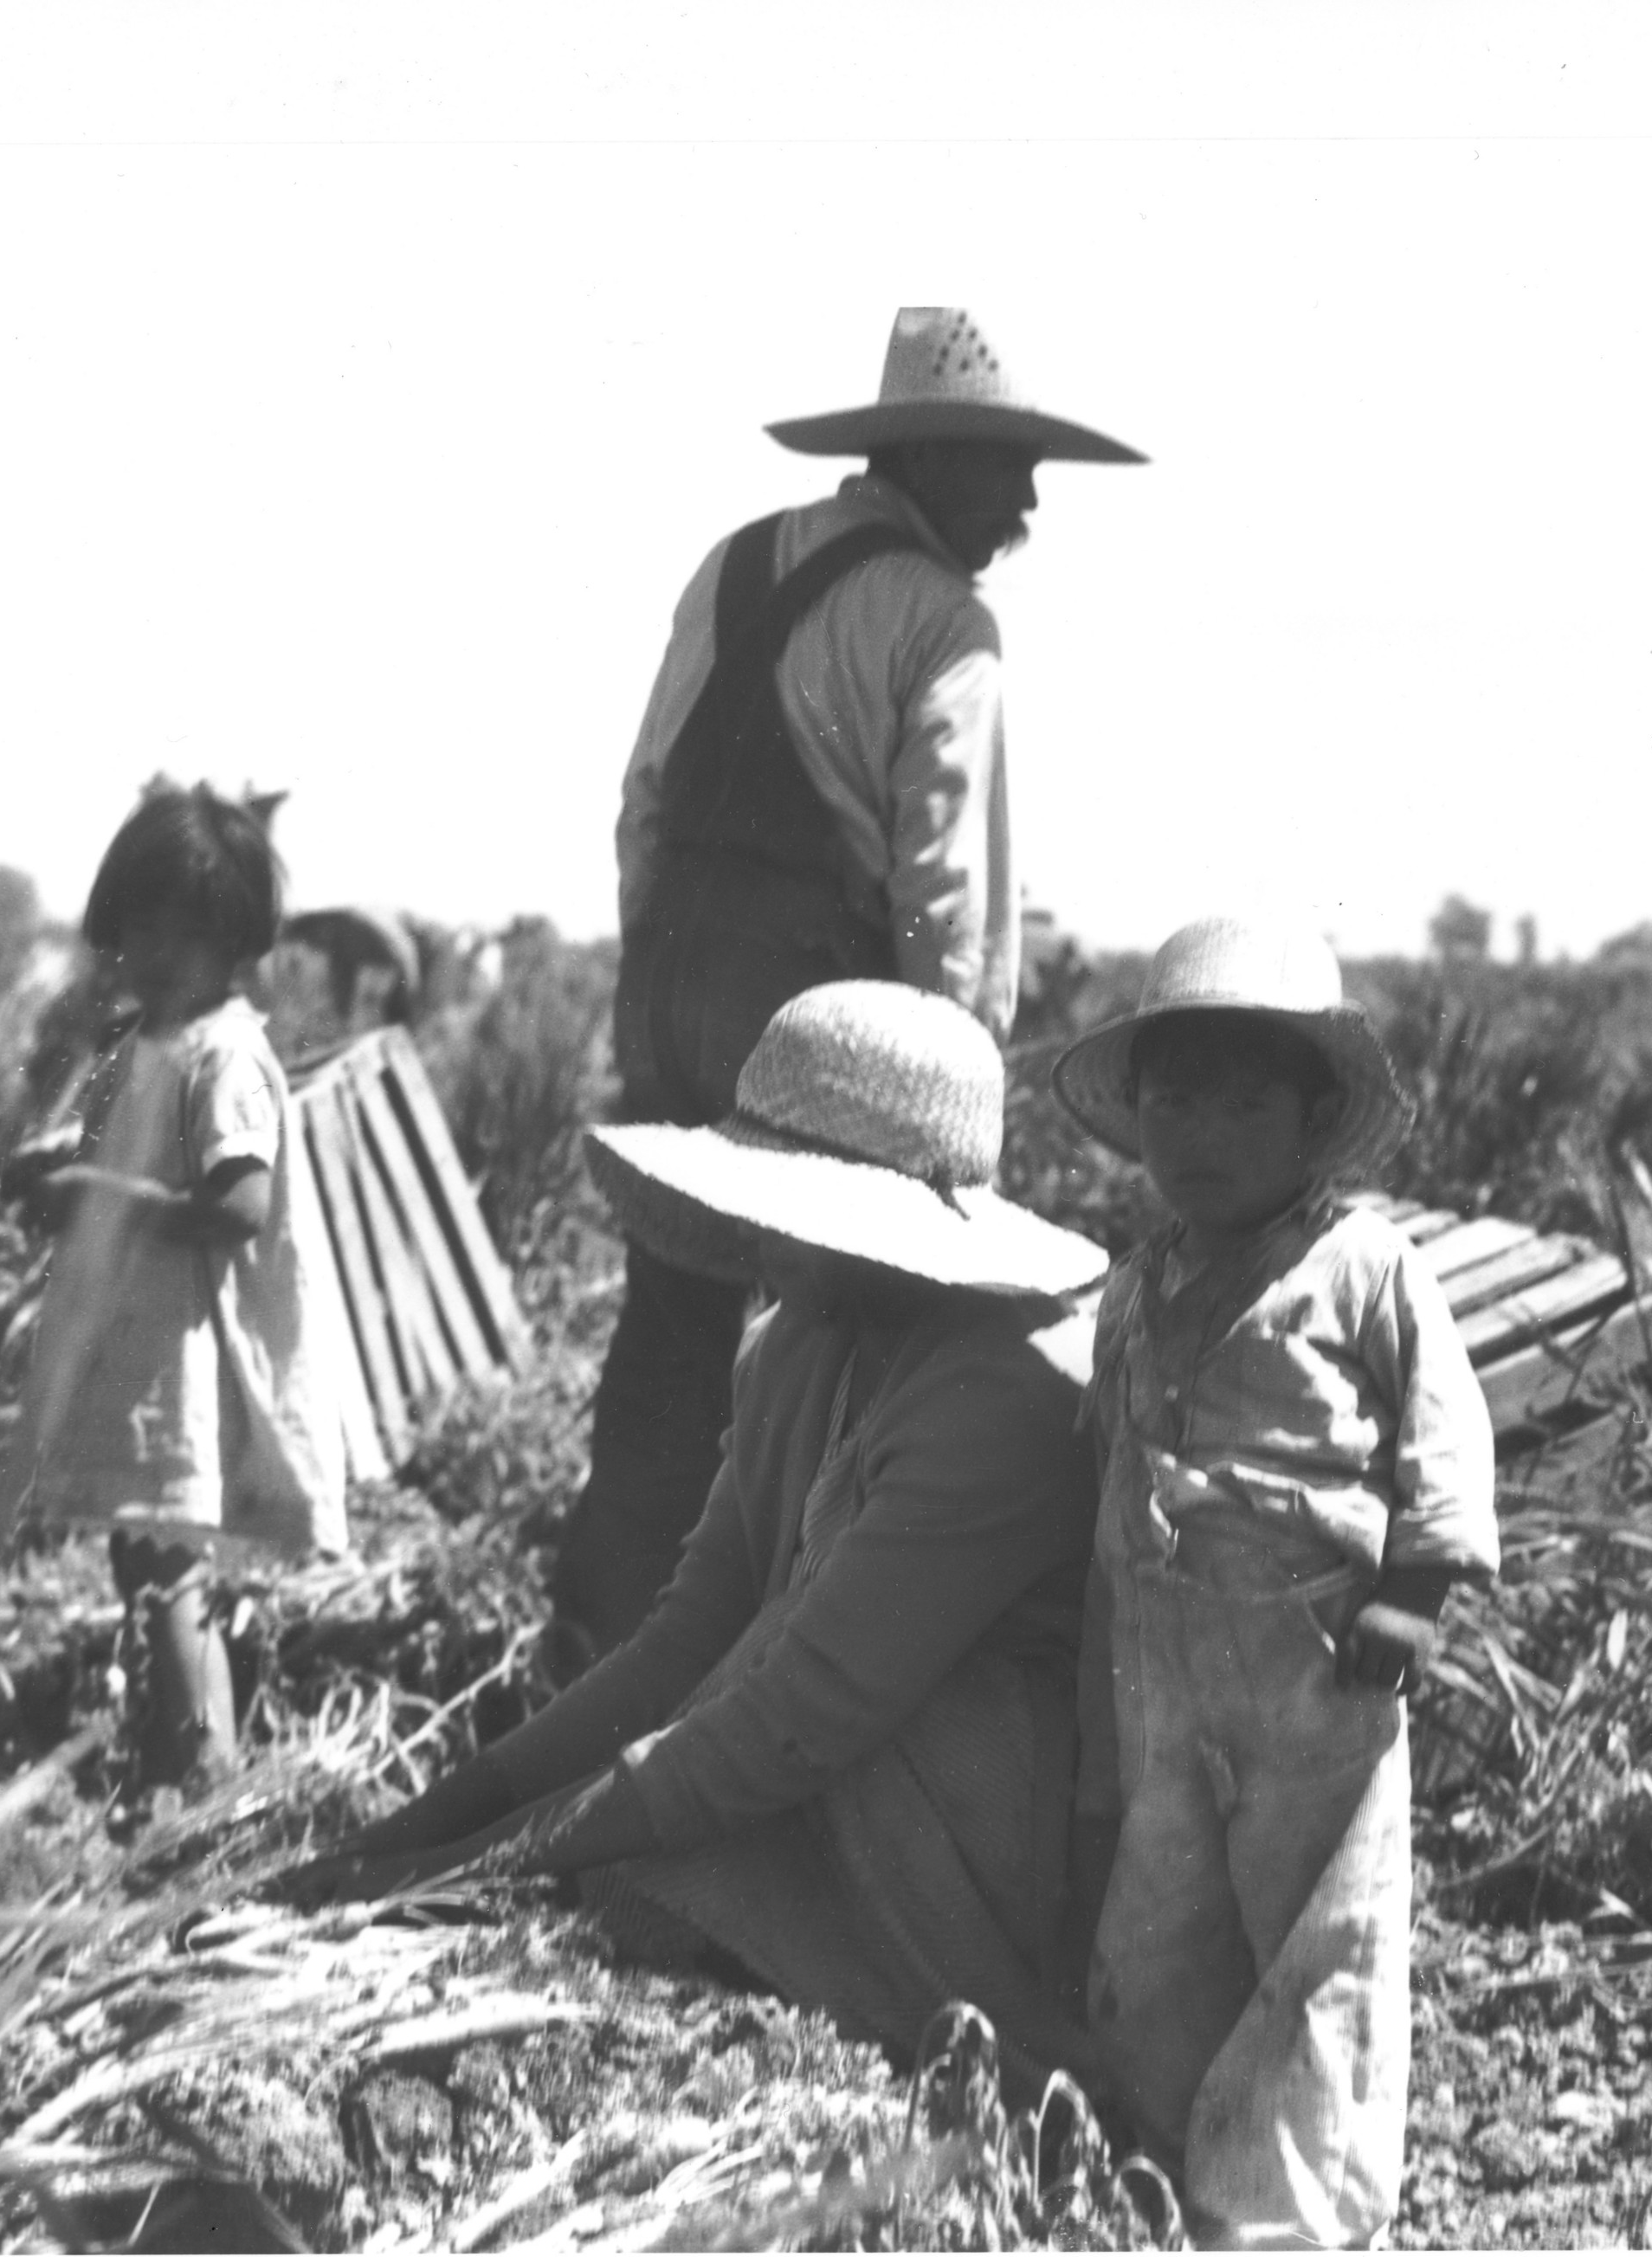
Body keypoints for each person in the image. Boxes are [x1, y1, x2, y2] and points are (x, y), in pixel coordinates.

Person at [275, 982, 1109, 2086]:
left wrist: (471, 1864)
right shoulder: (794, 1347)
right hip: (813, 1755)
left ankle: (946, 2032)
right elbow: (686, 1640)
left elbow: (799, 1710)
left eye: (787, 1207)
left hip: (963, 1823)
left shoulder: (1007, 1392)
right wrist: (434, 1818)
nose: (754, 1233)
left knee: (684, 1828)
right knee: (652, 1823)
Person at [552, 307, 1145, 1655]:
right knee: (829, 1345)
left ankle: (603, 1637)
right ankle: (772, 1652)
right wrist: (948, 1108)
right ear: (933, 456)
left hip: (675, 981)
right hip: (818, 1015)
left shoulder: (737, 562)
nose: (1033, 500)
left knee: (671, 1321)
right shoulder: (948, 620)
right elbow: (948, 895)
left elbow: (646, 795)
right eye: (1010, 466)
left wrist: (658, 980)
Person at [1049, 916, 1500, 2247]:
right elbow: (1109, 1447)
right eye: (1174, 1097)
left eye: (1244, 1099)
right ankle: (1165, 2142)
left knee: (1322, 1933)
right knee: (1165, 1902)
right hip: (1164, 1651)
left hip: (1317, 1659)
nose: (1201, 1129)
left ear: (1313, 1120)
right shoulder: (1139, 1284)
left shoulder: (1365, 1267)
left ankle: (1285, 2209)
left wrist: (1413, 1585)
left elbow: (1443, 1430)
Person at [2, 784, 350, 1789]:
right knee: (145, 1568)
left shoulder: (225, 1054)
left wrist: (98, 1190)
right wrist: (62, 1173)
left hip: (184, 1362)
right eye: (141, 926)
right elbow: (132, 1160)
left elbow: (237, 1208)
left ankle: (200, 1782)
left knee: (168, 1575)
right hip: (138, 1351)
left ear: (234, 938)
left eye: (185, 932)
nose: (157, 951)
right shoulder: (143, 1043)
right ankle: (174, 1767)